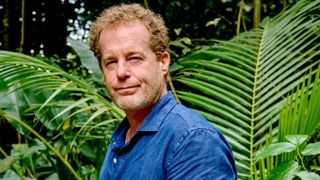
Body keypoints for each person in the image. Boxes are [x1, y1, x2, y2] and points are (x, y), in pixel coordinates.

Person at [89, 3, 237, 179]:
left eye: (134, 58)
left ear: (163, 62)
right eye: (111, 62)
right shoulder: (124, 136)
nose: (121, 72)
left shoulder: (193, 141)